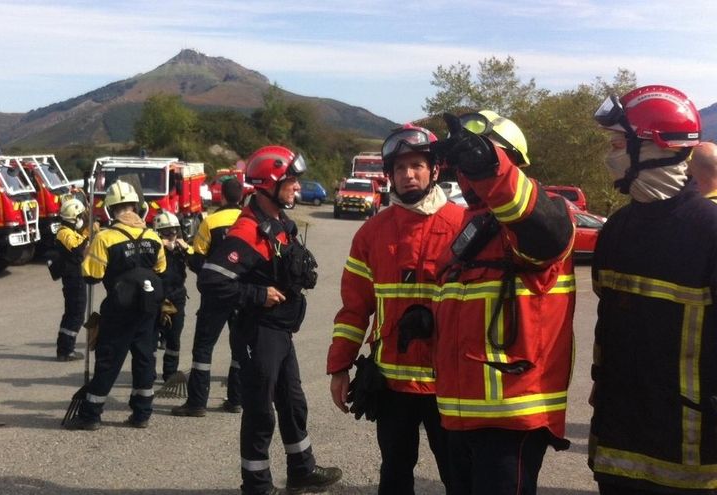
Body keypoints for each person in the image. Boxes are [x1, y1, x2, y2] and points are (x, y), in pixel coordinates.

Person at [433, 110, 576, 495]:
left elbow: (535, 221)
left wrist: (488, 164)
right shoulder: (469, 225)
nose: (466, 168)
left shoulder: (546, 218)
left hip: (512, 418)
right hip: (460, 414)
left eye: (476, 155)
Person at [589, 85, 717, 494]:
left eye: (617, 143)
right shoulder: (616, 231)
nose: (610, 155)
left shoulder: (711, 232)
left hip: (692, 459)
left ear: (655, 147)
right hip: (617, 450)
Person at [198, 145, 342, 495]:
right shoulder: (246, 231)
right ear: (268, 184)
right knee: (261, 412)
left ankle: (302, 471)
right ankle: (257, 485)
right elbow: (212, 280)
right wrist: (257, 296)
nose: (297, 187)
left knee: (293, 403)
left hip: (281, 332)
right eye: (291, 181)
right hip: (257, 333)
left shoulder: (278, 223)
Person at [327, 124, 463, 494]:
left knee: (459, 476)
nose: (408, 174)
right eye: (399, 168)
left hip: (449, 383)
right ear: (390, 175)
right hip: (392, 384)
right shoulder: (372, 232)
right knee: (395, 474)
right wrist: (339, 366)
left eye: (417, 165)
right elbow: (355, 308)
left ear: (435, 169)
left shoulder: (464, 227)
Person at [63, 180, 165, 431]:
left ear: (110, 209)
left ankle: (91, 415)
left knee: (108, 361)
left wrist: (88, 254)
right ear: (137, 207)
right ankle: (142, 414)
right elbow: (161, 268)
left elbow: (91, 275)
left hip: (119, 312)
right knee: (144, 361)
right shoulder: (153, 237)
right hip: (147, 311)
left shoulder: (104, 238)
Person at [172, 177, 245, 417]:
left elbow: (198, 259)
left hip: (215, 295)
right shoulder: (250, 220)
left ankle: (197, 403)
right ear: (241, 196)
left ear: (222, 196)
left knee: (203, 348)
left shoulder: (210, 221)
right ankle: (236, 399)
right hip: (244, 294)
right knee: (240, 347)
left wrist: (188, 255)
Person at [152, 210, 192, 382]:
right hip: (157, 296)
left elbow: (196, 260)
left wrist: (186, 249)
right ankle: (147, 372)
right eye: (166, 232)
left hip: (177, 296)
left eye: (174, 231)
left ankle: (170, 372)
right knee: (151, 336)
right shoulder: (153, 248)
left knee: (174, 336)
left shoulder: (181, 248)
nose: (171, 235)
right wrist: (161, 246)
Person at [54, 198, 90, 361]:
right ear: (74, 217)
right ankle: (66, 350)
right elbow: (77, 250)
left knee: (73, 313)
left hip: (76, 276)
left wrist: (87, 232)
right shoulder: (64, 233)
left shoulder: (70, 232)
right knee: (76, 314)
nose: (82, 219)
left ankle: (65, 347)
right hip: (73, 278)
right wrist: (88, 236)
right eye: (81, 216)